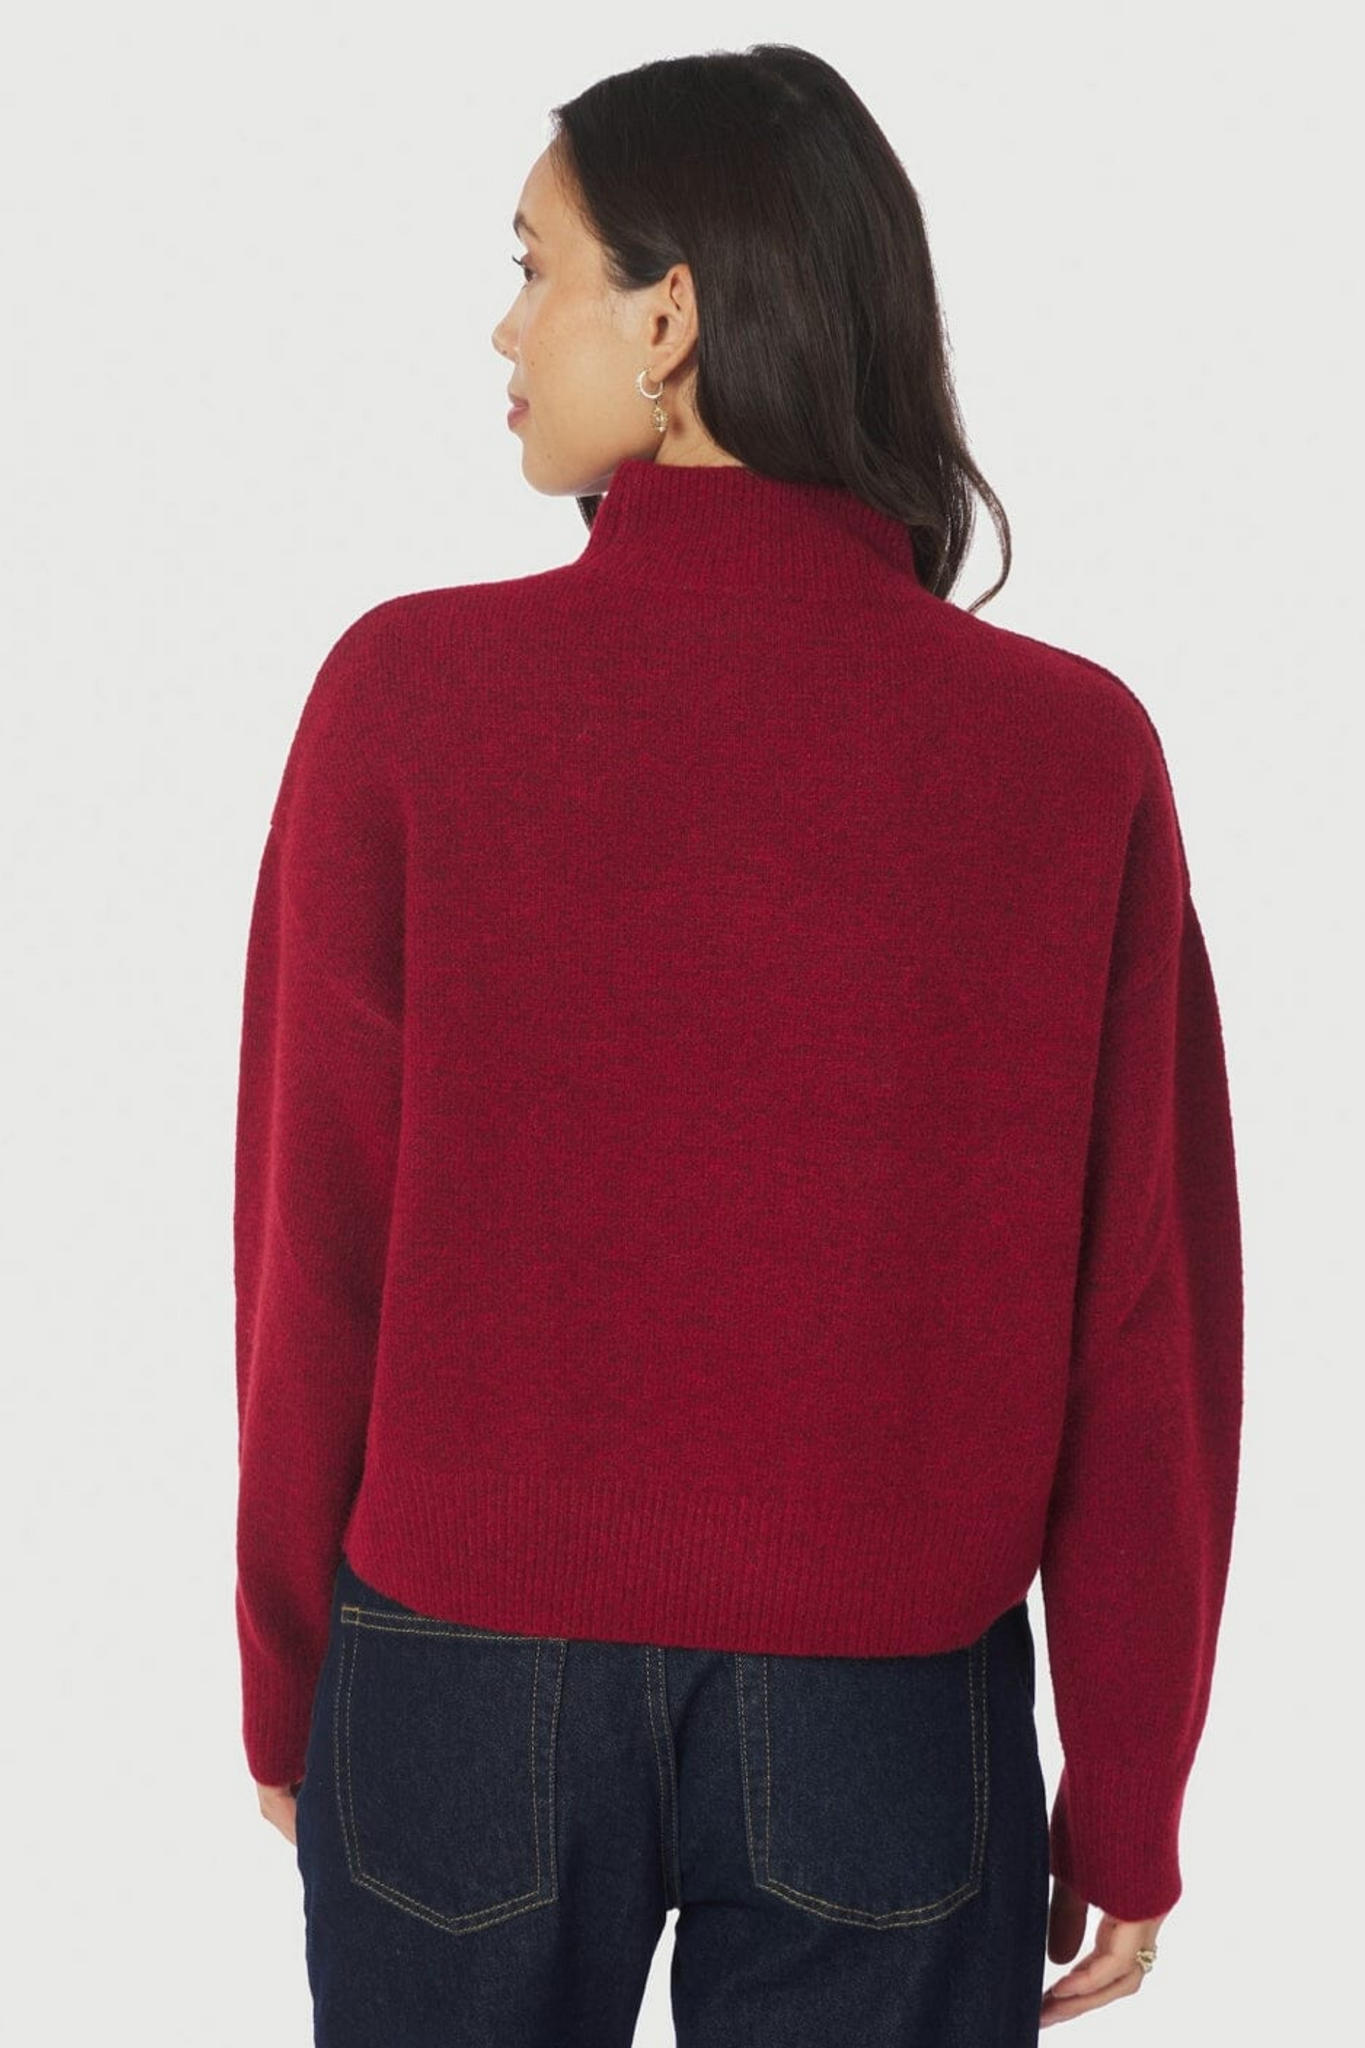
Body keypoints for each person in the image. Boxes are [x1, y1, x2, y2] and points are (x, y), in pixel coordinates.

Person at [234, 43, 1243, 2045]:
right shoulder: (1064, 752)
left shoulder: (410, 695)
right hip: (886, 1697)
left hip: (457, 1678)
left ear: (671, 318)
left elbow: (305, 1244)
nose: (505, 328)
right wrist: (1129, 1777)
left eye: (537, 267)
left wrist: (291, 1680)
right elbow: (1143, 1318)